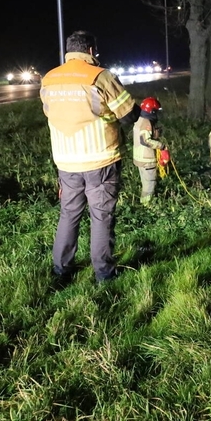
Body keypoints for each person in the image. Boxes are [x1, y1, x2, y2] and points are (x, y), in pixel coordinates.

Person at [40, 30, 138, 284]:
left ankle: (61, 270)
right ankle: (104, 274)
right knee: (101, 217)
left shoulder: (49, 79)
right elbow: (128, 115)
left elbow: (49, 112)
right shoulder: (100, 76)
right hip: (100, 160)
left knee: (68, 214)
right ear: (91, 51)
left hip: (65, 162)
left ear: (69, 51)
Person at [132, 96, 168, 204]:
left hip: (139, 159)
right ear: (152, 111)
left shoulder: (139, 119)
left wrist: (155, 133)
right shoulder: (147, 122)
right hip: (147, 160)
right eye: (156, 111)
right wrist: (162, 146)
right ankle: (147, 207)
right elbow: (145, 141)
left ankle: (145, 203)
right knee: (149, 185)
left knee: (145, 183)